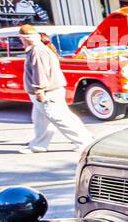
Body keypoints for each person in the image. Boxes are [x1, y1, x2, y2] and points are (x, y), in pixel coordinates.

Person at [20, 24, 94, 153]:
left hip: (48, 91)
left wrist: (39, 90)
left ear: (25, 38)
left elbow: (40, 72)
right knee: (41, 120)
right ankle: (39, 145)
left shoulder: (38, 51)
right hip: (51, 90)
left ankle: (84, 141)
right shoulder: (40, 49)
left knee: (58, 117)